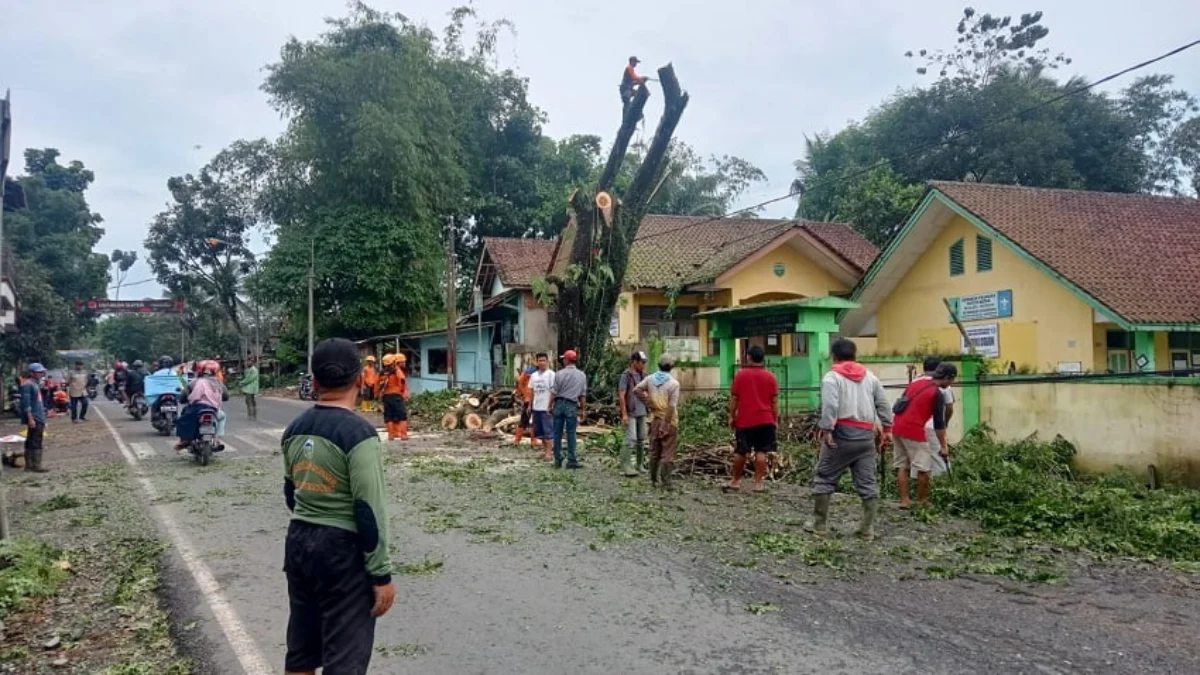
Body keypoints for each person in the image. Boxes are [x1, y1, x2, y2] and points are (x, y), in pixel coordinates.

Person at [282, 338, 395, 675]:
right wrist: (381, 574)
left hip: (299, 542)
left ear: (314, 382)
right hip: (341, 553)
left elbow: (291, 493)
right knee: (344, 658)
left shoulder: (294, 428)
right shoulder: (359, 434)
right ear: (360, 380)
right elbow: (367, 508)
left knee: (301, 650)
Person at [810, 338, 893, 539]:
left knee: (825, 478)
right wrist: (888, 429)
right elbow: (883, 404)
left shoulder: (832, 377)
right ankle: (867, 529)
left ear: (835, 356)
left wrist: (827, 429)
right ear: (855, 355)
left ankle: (819, 526)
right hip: (865, 438)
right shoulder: (871, 377)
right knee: (867, 482)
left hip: (840, 435)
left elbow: (830, 406)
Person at [892, 362, 958, 508]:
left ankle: (904, 500)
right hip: (913, 430)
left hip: (896, 426)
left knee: (902, 464)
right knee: (924, 467)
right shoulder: (937, 393)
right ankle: (923, 501)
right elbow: (939, 424)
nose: (952, 383)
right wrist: (943, 447)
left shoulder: (917, 383)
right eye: (952, 379)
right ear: (947, 377)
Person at [726, 345, 779, 493]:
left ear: (748, 357)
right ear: (763, 358)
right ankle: (758, 484)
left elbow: (734, 399)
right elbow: (774, 402)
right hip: (765, 419)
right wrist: (775, 419)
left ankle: (735, 481)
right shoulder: (771, 377)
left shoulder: (741, 375)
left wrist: (731, 416)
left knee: (741, 451)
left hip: (745, 420)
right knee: (762, 452)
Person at [634, 354, 681, 488]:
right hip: (669, 420)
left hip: (654, 419)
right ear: (671, 367)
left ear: (658, 365)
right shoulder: (673, 383)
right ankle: (666, 481)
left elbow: (636, 390)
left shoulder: (650, 379)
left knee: (654, 450)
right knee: (668, 451)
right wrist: (666, 425)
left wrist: (648, 402)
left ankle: (653, 479)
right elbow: (672, 406)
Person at [913, 356, 954, 479]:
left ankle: (919, 488)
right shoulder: (943, 384)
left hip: (916, 427)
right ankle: (942, 486)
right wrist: (944, 425)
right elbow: (949, 408)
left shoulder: (915, 382)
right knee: (939, 459)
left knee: (919, 459)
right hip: (933, 427)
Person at [175, 361, 229, 450]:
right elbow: (226, 397)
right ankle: (217, 438)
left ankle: (185, 440)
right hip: (213, 410)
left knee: (183, 419)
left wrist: (183, 398)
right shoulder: (219, 383)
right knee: (222, 416)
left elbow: (183, 397)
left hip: (196, 408)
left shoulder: (194, 382)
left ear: (199, 370)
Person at [550, 349, 587, 469]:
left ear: (566, 360)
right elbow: (582, 394)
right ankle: (572, 460)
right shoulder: (581, 375)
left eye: (564, 359)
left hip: (559, 403)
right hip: (572, 405)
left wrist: (549, 405)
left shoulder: (559, 374)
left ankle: (558, 458)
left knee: (557, 433)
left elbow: (554, 392)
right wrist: (583, 410)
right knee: (571, 434)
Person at [617, 351, 649, 477]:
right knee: (631, 438)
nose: (643, 365)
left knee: (641, 438)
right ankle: (626, 465)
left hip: (642, 411)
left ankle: (639, 464)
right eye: (642, 362)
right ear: (634, 362)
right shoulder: (626, 375)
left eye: (644, 362)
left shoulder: (644, 375)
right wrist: (624, 414)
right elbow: (621, 395)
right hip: (631, 411)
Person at [19, 363, 49, 473]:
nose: (41, 374)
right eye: (39, 372)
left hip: (39, 416)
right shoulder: (28, 385)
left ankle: (31, 465)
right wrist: (30, 418)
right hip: (35, 416)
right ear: (32, 373)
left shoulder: (35, 384)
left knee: (33, 439)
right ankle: (35, 465)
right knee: (35, 440)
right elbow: (26, 404)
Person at [528, 353, 555, 461]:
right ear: (536, 362)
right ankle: (545, 451)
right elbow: (531, 391)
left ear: (547, 362)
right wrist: (530, 405)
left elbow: (554, 392)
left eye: (544, 360)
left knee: (548, 431)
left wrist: (551, 405)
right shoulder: (534, 376)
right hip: (536, 407)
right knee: (540, 432)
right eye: (540, 360)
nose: (542, 362)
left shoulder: (551, 375)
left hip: (546, 408)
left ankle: (549, 453)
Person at [377, 354, 410, 441]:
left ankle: (391, 436)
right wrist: (402, 390)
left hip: (386, 396)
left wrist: (378, 395)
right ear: (393, 361)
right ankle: (404, 435)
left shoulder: (382, 372)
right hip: (396, 395)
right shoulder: (396, 371)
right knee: (402, 415)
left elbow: (376, 385)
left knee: (389, 416)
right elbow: (402, 379)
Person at [512, 366, 537, 447]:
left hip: (528, 399)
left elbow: (519, 384)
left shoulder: (526, 372)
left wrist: (522, 394)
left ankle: (517, 440)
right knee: (533, 420)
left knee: (524, 420)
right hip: (534, 399)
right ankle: (533, 441)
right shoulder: (535, 373)